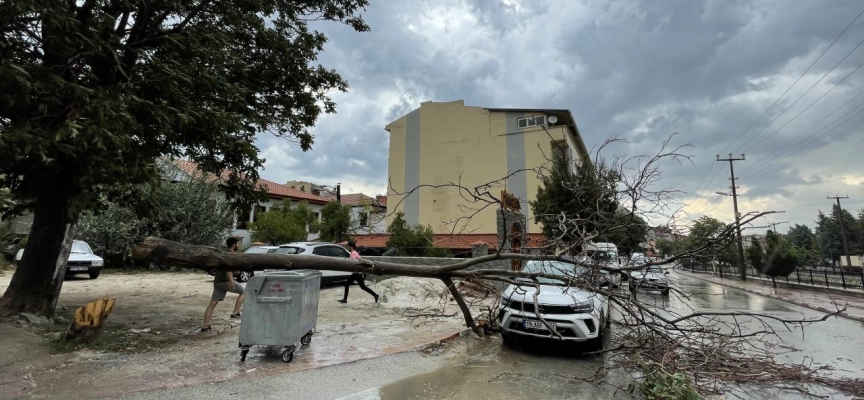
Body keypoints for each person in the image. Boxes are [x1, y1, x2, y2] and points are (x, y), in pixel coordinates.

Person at [201, 237, 245, 332]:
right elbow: (227, 269)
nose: (239, 245)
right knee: (244, 292)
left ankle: (205, 326)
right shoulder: (230, 255)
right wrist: (231, 281)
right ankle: (235, 313)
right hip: (226, 281)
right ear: (234, 244)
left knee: (212, 304)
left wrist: (237, 271)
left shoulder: (223, 253)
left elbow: (233, 270)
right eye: (238, 243)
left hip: (218, 282)